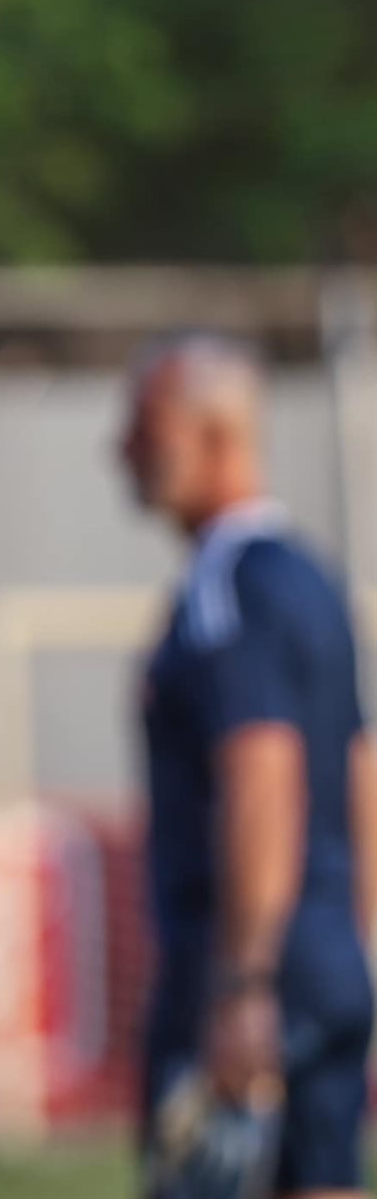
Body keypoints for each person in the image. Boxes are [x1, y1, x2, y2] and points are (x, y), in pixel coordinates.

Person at [121, 334, 376, 1198]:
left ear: (216, 433)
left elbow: (263, 771)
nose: (124, 449)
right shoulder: (311, 577)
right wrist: (351, 946)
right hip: (323, 960)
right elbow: (361, 771)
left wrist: (244, 984)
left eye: (146, 425)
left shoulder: (227, 583)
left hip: (246, 974)